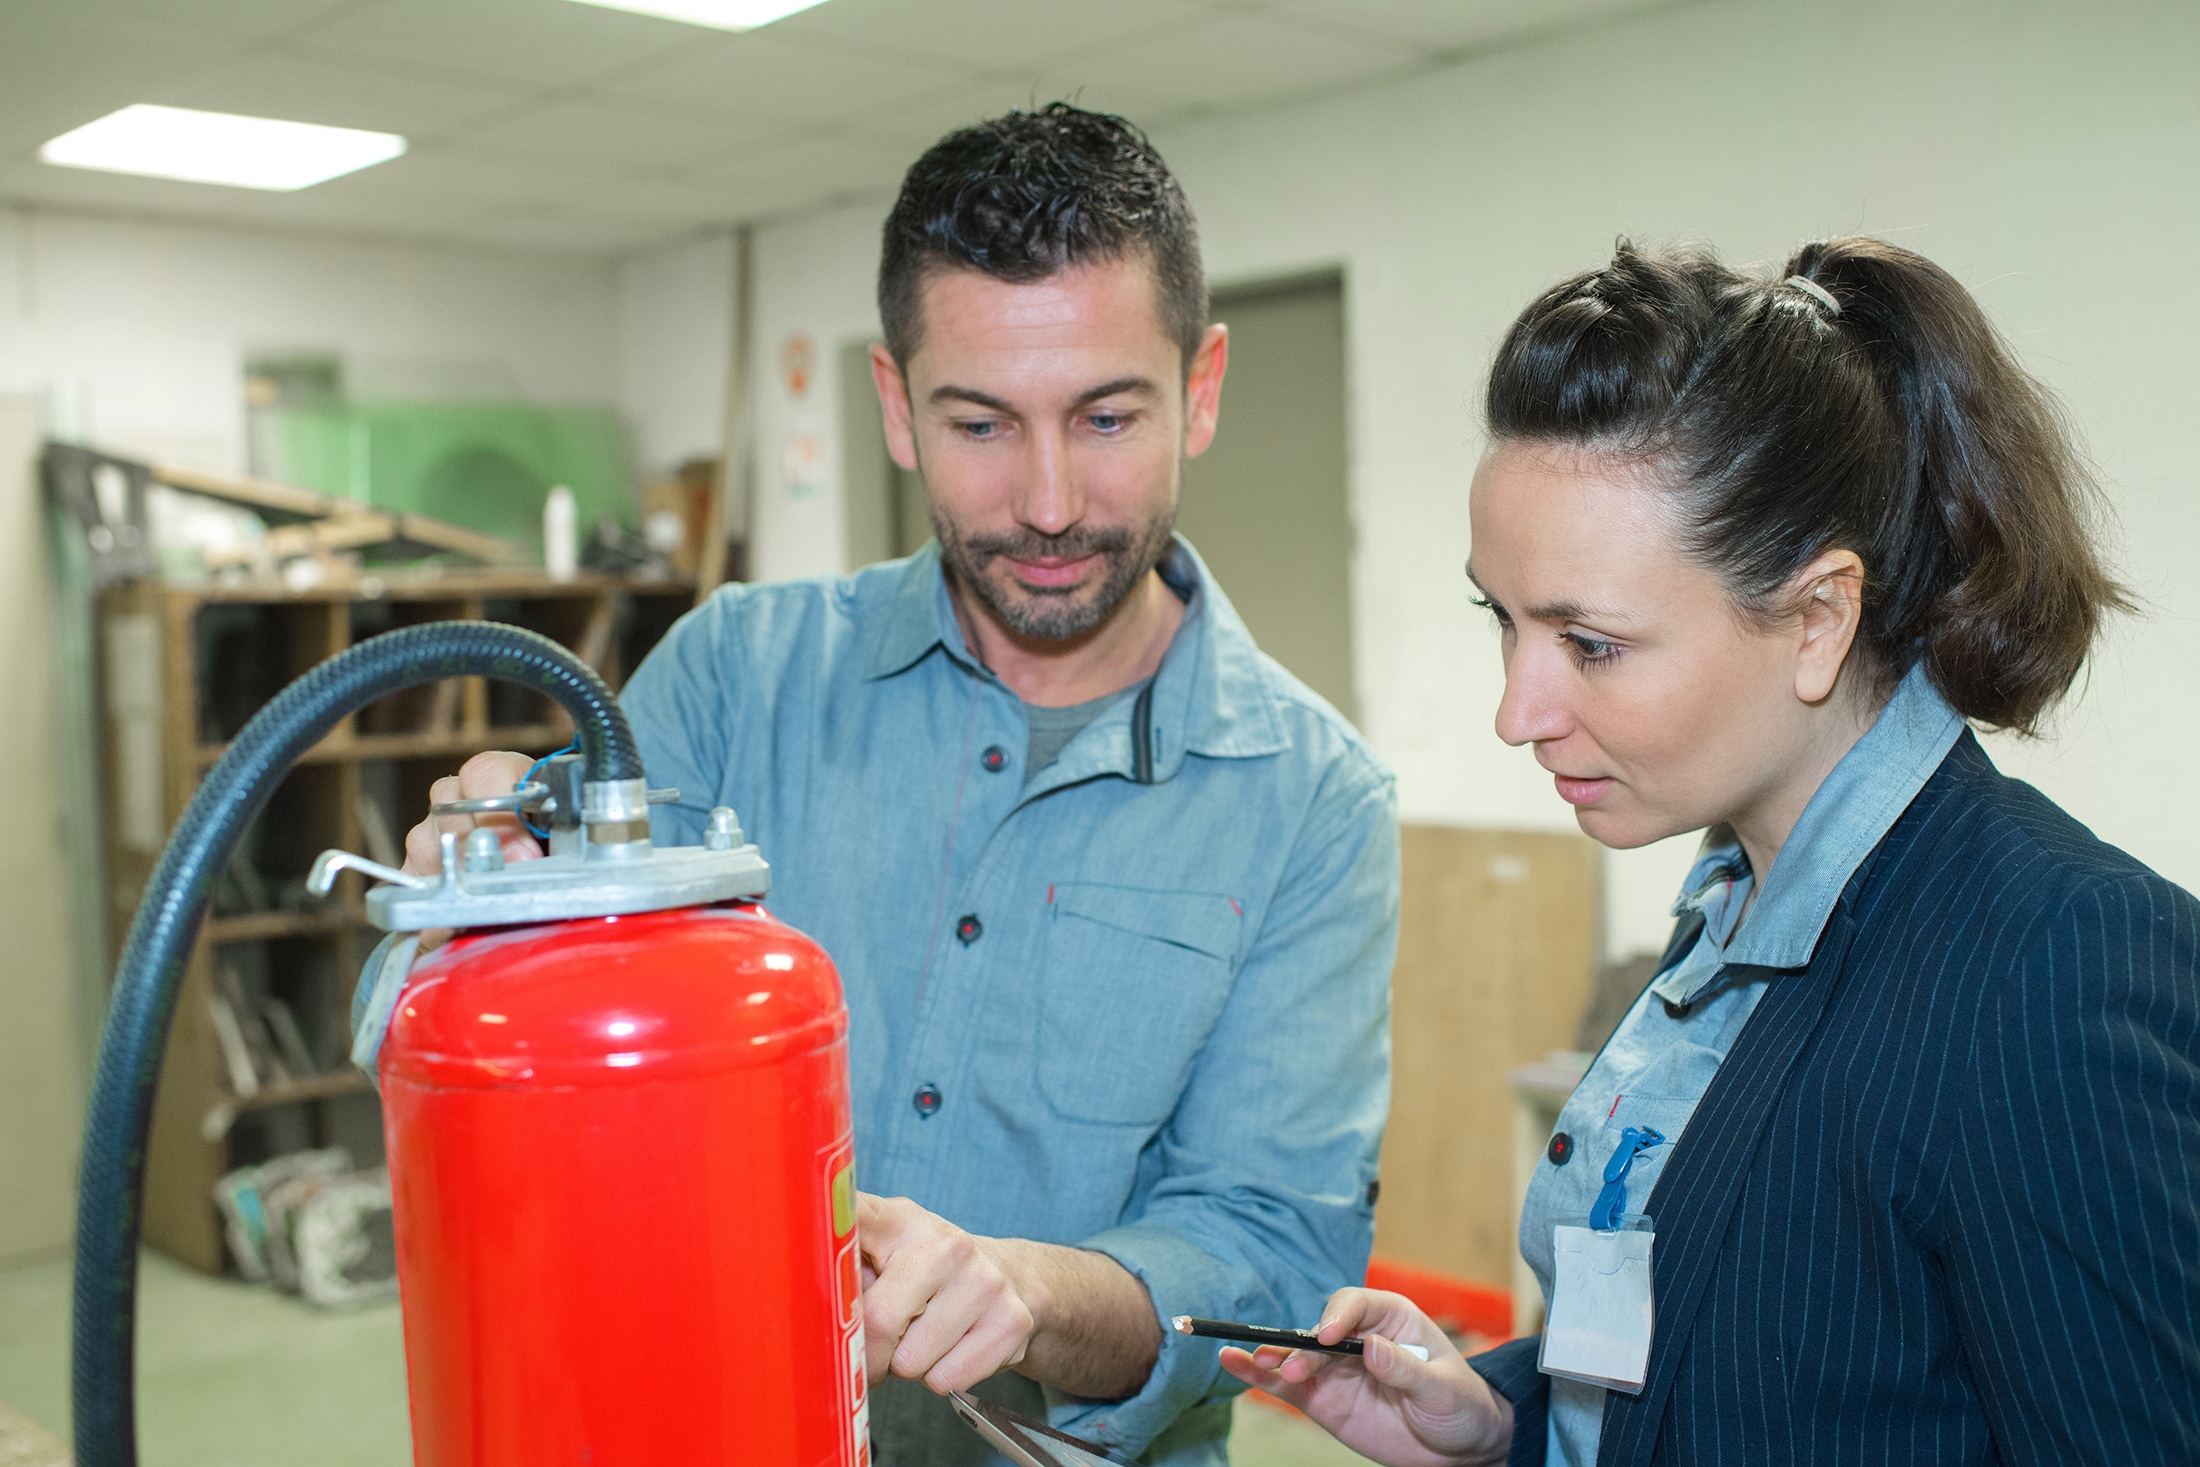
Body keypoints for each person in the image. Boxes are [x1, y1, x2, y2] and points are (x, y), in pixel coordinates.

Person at [387, 105, 1398, 1466]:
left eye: (1106, 415)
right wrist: (484, 898)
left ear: (1202, 387)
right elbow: (490, 1049)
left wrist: (1031, 1293)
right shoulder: (739, 675)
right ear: (894, 405)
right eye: (980, 421)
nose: (1047, 501)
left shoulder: (1313, 801)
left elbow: (1271, 1250)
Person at [1220, 237, 2200, 1464]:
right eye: (1504, 621)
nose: (1516, 711)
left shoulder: (2052, 964)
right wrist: (1504, 1424)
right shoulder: (1734, 908)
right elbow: (1737, 1366)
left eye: (1589, 643)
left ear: (1817, 620)